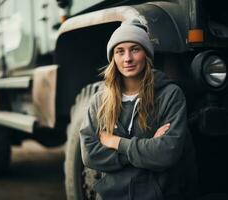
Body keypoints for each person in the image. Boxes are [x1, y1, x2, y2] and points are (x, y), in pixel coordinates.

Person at [79, 18, 197, 200]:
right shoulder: (99, 100)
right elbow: (90, 155)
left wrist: (117, 143)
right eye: (120, 51)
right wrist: (146, 148)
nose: (127, 58)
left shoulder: (170, 95)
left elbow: (166, 153)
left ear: (146, 54)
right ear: (113, 58)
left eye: (135, 49)